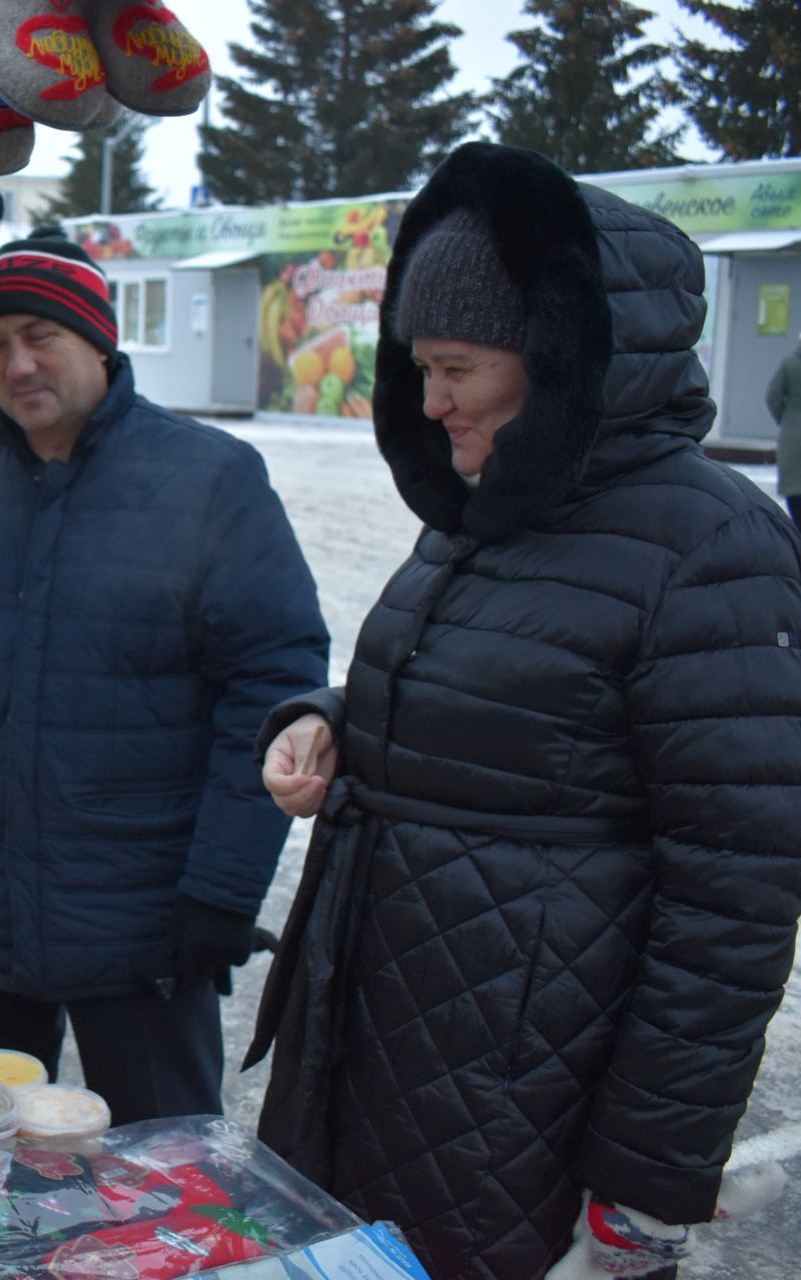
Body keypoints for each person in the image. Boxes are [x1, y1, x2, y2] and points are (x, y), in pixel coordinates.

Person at [252, 143, 801, 1279]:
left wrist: (644, 1185)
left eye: (458, 365)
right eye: (419, 363)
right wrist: (329, 718)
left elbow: (733, 904)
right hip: (386, 1033)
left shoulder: (712, 546)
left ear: (559, 359)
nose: (430, 398)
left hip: (525, 1089)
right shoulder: (483, 507)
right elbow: (503, 702)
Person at [0, 228, 329, 1125]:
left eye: (40, 334)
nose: (17, 363)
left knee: (170, 1181)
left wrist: (222, 892)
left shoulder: (210, 480)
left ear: (99, 339)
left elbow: (269, 683)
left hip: (149, 919)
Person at [770, 332, 801, 525]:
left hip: (791, 436)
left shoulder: (789, 364)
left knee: (795, 496)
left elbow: (772, 397)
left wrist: (785, 419)